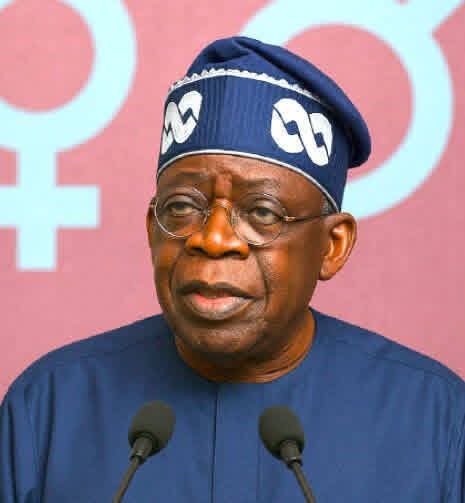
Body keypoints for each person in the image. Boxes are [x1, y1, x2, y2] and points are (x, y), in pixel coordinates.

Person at [1, 36, 464, 502]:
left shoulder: (435, 420)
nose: (213, 239)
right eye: (182, 207)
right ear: (152, 229)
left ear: (332, 246)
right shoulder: (48, 409)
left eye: (262, 212)